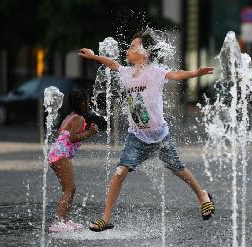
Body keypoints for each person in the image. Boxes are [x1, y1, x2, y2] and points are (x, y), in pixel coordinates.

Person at [78, 30, 215, 232]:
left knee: (178, 169)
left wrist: (195, 73)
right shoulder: (127, 73)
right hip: (137, 136)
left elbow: (175, 74)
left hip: (159, 135)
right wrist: (93, 56)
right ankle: (105, 219)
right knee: (119, 173)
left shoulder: (155, 71)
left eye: (133, 46)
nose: (129, 49)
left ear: (146, 52)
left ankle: (202, 195)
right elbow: (111, 63)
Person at [48, 90, 99, 232]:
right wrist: (90, 132)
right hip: (60, 155)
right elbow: (72, 138)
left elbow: (60, 136)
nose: (88, 104)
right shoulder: (79, 119)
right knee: (69, 189)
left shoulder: (69, 117)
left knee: (70, 189)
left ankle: (65, 220)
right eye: (87, 102)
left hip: (56, 154)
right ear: (82, 103)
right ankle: (58, 222)